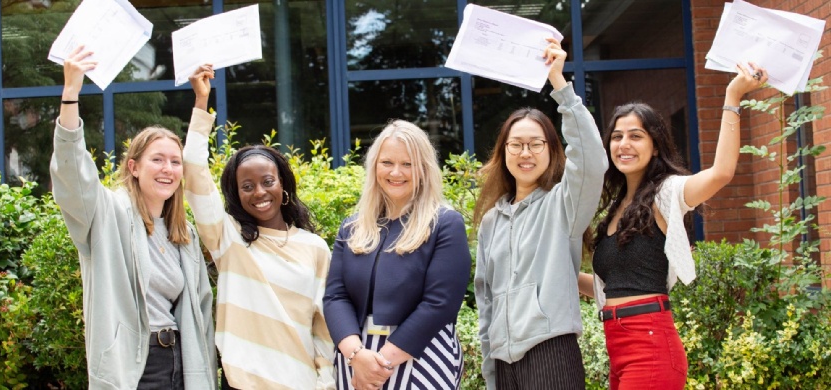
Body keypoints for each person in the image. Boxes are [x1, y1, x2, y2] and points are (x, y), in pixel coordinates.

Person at [578, 63, 768, 389]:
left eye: (636, 136)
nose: (624, 144)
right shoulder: (612, 210)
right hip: (617, 346)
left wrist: (732, 95)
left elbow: (722, 172)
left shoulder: (668, 193)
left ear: (655, 145)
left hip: (650, 343)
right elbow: (611, 286)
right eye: (617, 136)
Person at [49, 46, 217, 389]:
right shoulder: (106, 215)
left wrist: (200, 103)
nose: (168, 169)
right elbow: (72, 179)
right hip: (135, 366)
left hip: (183, 362)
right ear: (134, 167)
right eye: (157, 159)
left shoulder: (182, 234)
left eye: (174, 161)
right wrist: (70, 94)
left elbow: (199, 310)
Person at [183, 65, 335, 389]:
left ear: (283, 186)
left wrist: (327, 382)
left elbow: (324, 327)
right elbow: (194, 174)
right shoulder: (230, 240)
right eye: (247, 186)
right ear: (237, 195)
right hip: (242, 384)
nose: (259, 192)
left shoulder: (315, 248)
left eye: (267, 182)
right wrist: (200, 101)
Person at [472, 38, 608, 390]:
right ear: (503, 152)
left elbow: (592, 160)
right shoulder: (491, 222)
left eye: (536, 143)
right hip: (504, 362)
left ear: (552, 151)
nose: (525, 152)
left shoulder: (563, 204)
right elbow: (486, 303)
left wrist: (559, 85)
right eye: (516, 145)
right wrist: (491, 374)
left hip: (551, 350)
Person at [322, 119, 472, 390]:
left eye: (407, 164)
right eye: (387, 162)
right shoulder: (352, 226)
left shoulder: (445, 223)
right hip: (356, 357)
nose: (396, 172)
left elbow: (440, 304)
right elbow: (335, 296)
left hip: (421, 355)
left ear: (424, 169)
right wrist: (357, 355)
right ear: (374, 166)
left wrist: (379, 363)